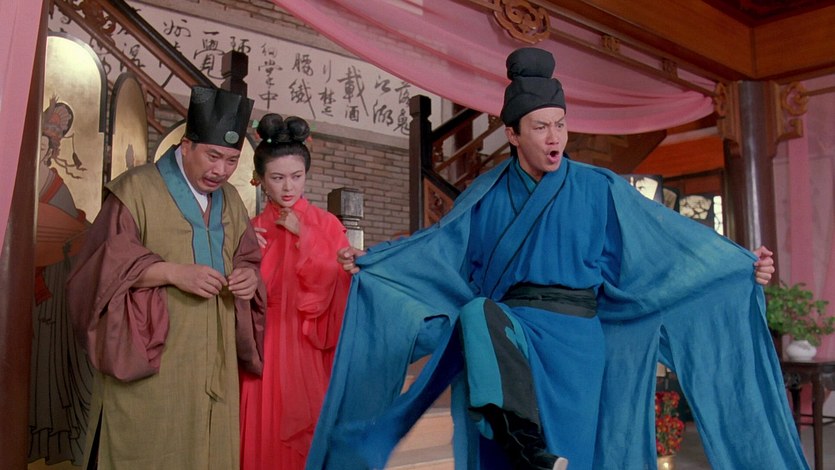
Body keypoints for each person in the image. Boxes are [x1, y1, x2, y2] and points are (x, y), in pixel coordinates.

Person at [306, 47, 804, 470]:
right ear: (513, 135)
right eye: (540, 127)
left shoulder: (598, 187)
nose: (554, 138)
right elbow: (437, 248)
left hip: (575, 341)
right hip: (510, 335)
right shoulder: (486, 193)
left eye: (560, 125)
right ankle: (519, 438)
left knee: (571, 455)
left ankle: (522, 439)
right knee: (477, 315)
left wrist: (741, 265)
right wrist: (377, 261)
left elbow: (671, 243)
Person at [67, 85, 265, 470]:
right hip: (156, 354)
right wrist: (171, 273)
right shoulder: (136, 189)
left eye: (231, 161)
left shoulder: (231, 201)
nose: (221, 171)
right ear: (186, 146)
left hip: (215, 357)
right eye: (212, 156)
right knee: (147, 446)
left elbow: (248, 258)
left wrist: (248, 277)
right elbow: (97, 267)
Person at [239, 114, 351, 469]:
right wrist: (240, 253)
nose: (288, 187)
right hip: (264, 342)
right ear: (259, 180)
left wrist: (307, 235)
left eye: (297, 176)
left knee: (309, 427)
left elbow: (342, 284)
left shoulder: (326, 224)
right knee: (262, 430)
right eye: (277, 178)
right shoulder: (249, 229)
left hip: (309, 342)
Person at [29, 97, 94, 466]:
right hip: (16, 282)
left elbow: (73, 231)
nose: (41, 148)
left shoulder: (55, 185)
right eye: (36, 141)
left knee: (46, 362)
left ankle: (46, 440)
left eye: (46, 144)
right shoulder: (13, 180)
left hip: (51, 285)